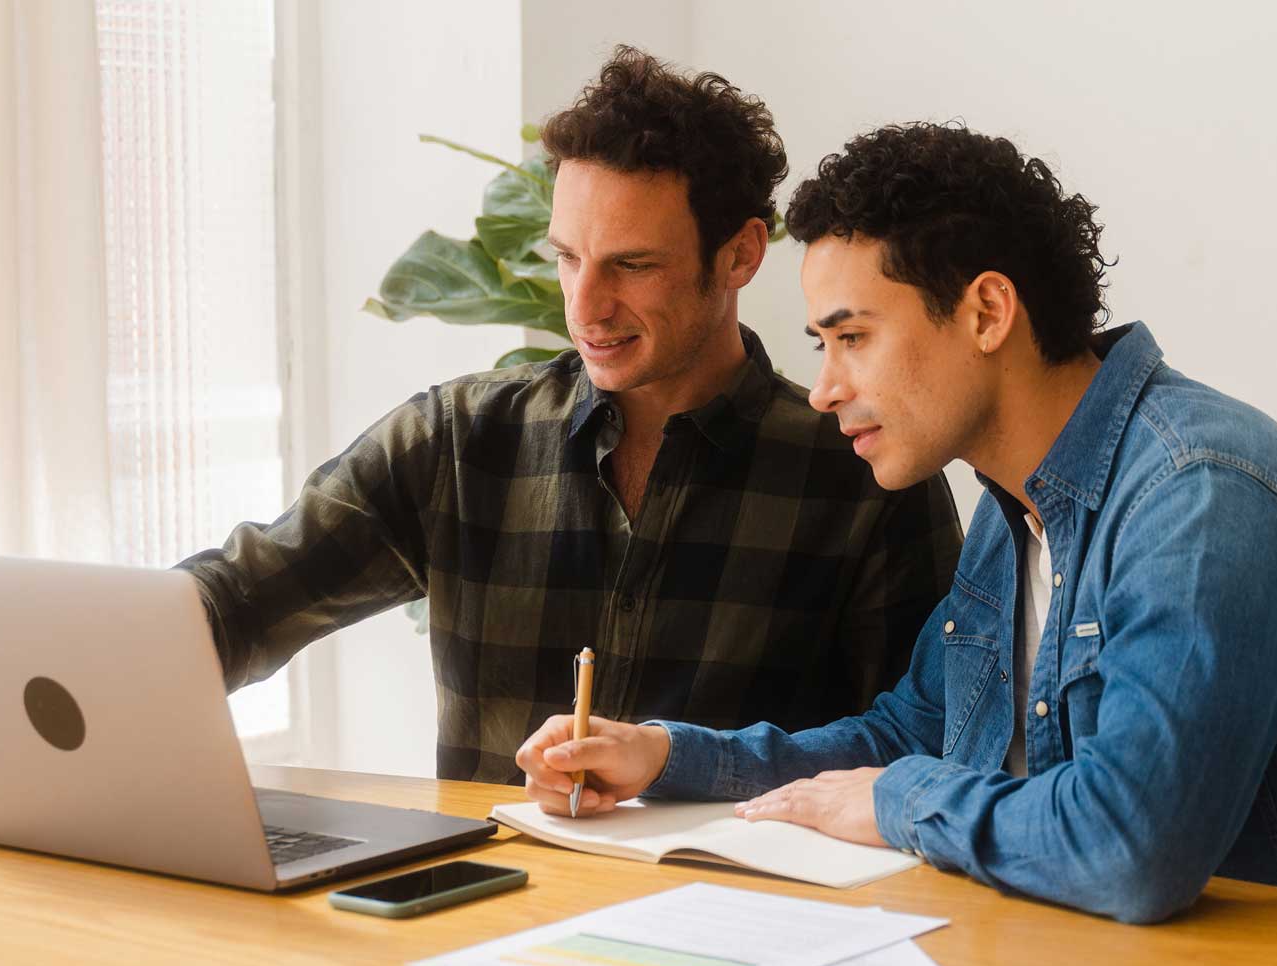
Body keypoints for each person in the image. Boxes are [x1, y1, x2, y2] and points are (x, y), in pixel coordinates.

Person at [516, 122, 1277, 921]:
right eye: (820, 347)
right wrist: (664, 754)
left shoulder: (1202, 494)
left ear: (988, 311)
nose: (827, 388)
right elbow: (904, 735)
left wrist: (900, 802)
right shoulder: (1013, 513)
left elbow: (1135, 845)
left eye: (854, 337)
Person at [177, 50, 962, 783]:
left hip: (738, 921)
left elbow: (917, 751)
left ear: (740, 256)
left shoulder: (865, 475)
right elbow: (242, 601)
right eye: (567, 257)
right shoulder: (459, 440)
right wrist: (96, 652)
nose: (584, 307)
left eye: (632, 264)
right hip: (484, 918)